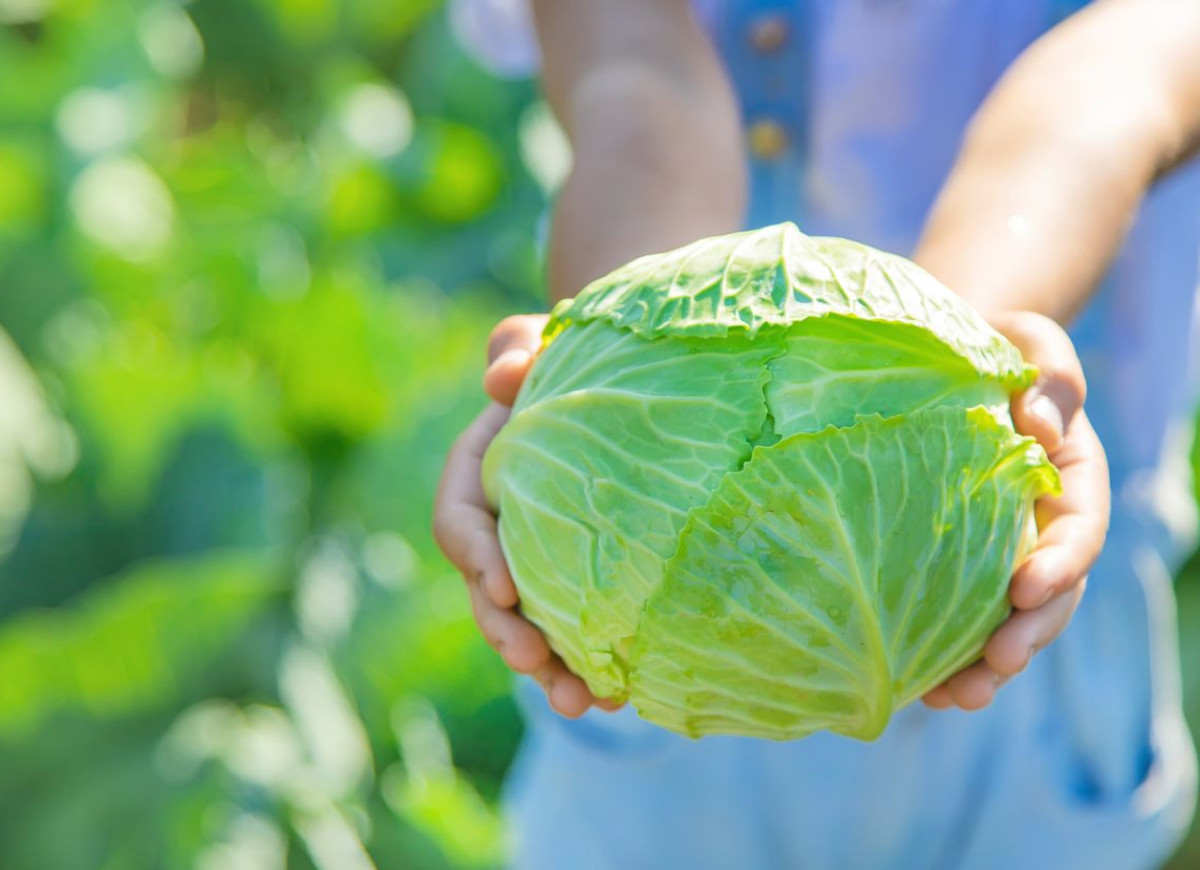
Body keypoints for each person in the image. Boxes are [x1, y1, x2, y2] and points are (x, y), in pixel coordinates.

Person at [433, 1, 1200, 867]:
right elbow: (632, 73)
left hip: (1021, 573)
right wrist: (622, 379)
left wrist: (977, 349)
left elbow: (1132, 64)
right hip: (650, 633)